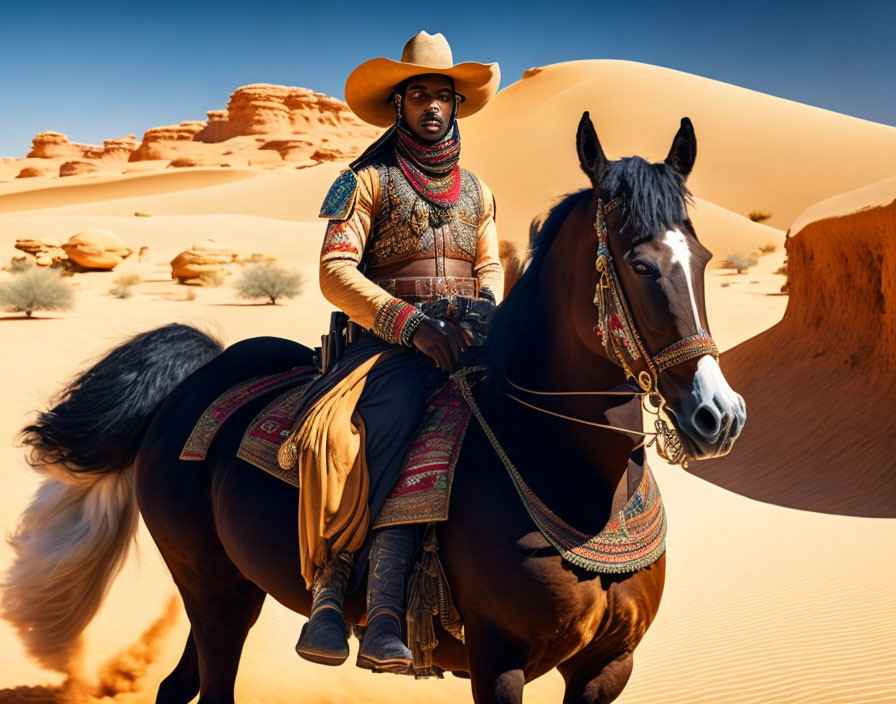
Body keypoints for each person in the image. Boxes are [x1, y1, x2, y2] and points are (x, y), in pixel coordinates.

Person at [291, 31, 503, 674]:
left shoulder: (480, 191)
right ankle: (345, 596)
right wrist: (409, 325)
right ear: (399, 106)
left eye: (443, 95)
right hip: (389, 350)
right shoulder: (363, 181)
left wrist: (487, 308)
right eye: (419, 95)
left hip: (470, 343)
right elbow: (335, 271)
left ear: (456, 105)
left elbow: (490, 264)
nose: (432, 105)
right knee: (379, 431)